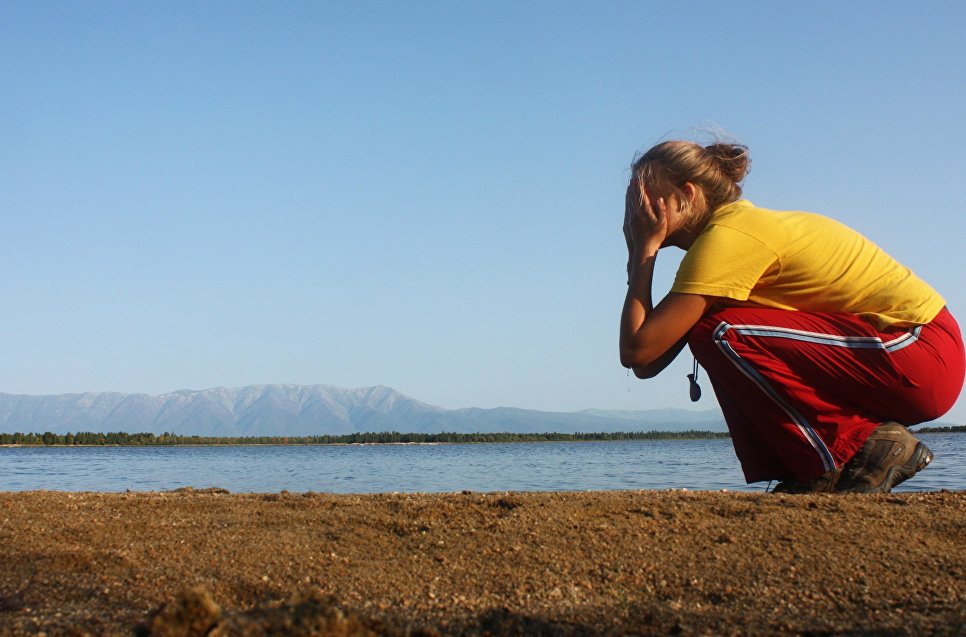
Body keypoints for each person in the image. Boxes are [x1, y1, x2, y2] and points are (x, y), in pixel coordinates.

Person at [619, 139, 964, 493]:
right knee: (712, 331)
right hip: (916, 356)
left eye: (645, 199)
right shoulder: (727, 237)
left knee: (720, 333)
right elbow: (647, 362)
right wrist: (639, 257)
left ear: (687, 195)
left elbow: (638, 351)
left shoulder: (729, 238)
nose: (636, 212)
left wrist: (643, 251)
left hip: (922, 349)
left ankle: (854, 452)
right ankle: (816, 466)